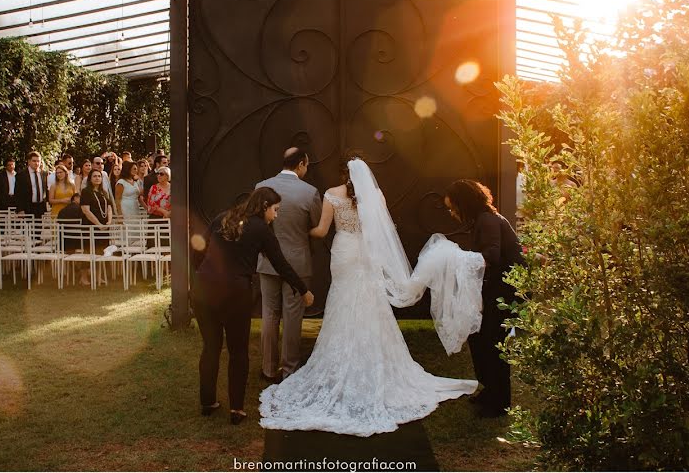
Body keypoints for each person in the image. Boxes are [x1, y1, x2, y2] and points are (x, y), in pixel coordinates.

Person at [259, 158, 480, 436]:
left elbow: (321, 231)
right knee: (370, 303)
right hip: (367, 253)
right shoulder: (375, 194)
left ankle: (340, 363)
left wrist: (298, 229)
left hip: (344, 253)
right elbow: (382, 231)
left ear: (342, 173)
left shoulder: (330, 194)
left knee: (342, 301)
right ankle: (373, 361)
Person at [193, 187, 314, 425]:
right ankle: (236, 409)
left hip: (203, 289)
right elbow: (281, 264)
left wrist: (196, 275)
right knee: (238, 351)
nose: (276, 216)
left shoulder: (223, 217)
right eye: (275, 210)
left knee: (211, 347)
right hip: (235, 292)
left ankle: (207, 403)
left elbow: (198, 247)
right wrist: (303, 290)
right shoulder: (261, 229)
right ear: (265, 206)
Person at [445, 179, 525, 418]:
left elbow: (492, 254)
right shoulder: (482, 220)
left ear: (464, 203)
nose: (452, 213)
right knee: (480, 338)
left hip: (507, 290)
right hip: (496, 288)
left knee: (492, 342)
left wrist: (459, 259)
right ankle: (490, 389)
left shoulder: (488, 221)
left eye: (453, 208)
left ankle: (500, 401)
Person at [255, 147, 322, 382]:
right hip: (296, 262)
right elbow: (315, 226)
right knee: (293, 316)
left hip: (267, 261)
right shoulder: (310, 192)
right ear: (302, 164)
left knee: (269, 313)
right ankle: (289, 369)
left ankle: (268, 368)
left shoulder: (261, 187)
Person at [78, 169, 113, 286]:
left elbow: (109, 207)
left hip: (103, 227)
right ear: (90, 179)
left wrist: (109, 221)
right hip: (90, 226)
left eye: (99, 176)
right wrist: (98, 224)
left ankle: (98, 277)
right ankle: (83, 278)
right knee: (88, 252)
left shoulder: (103, 192)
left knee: (100, 252)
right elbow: (85, 210)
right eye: (94, 176)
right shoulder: (86, 191)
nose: (97, 178)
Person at [15, 151, 49, 217]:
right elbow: (18, 193)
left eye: (38, 161)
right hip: (27, 208)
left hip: (41, 208)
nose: (36, 163)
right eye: (34, 161)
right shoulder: (21, 175)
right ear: (29, 161)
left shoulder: (44, 174)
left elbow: (46, 190)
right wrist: (20, 209)